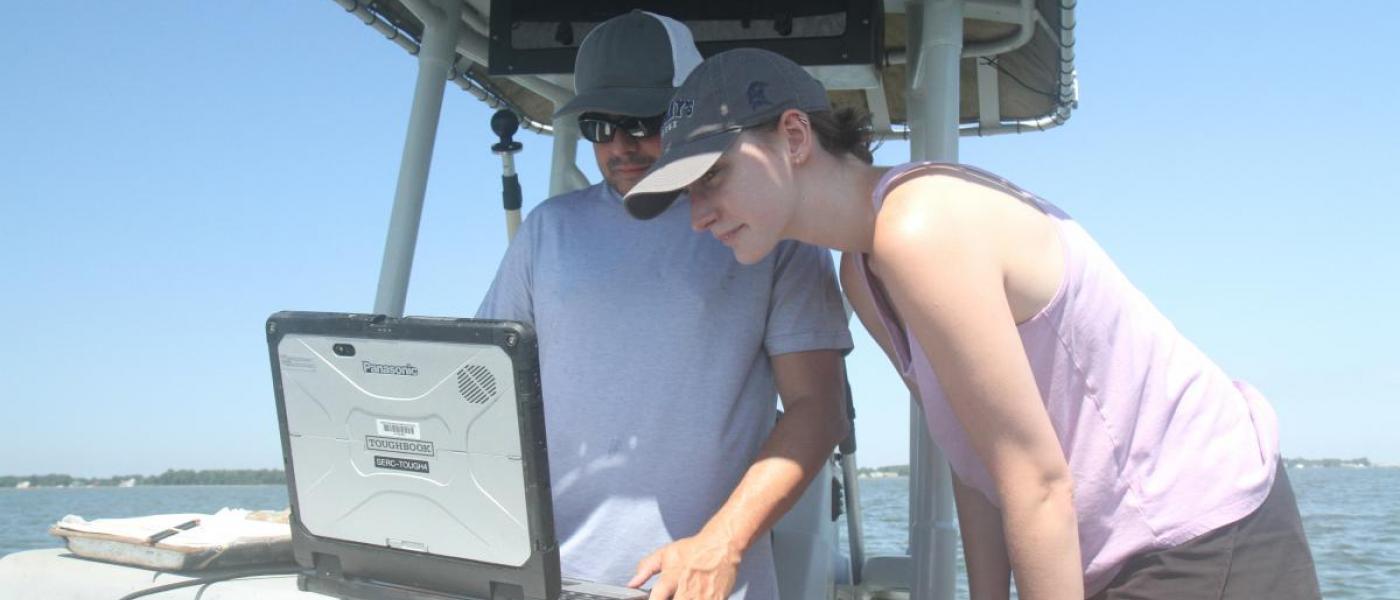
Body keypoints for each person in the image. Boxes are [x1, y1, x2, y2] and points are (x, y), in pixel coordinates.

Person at [623, 48, 1320, 599]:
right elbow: (975, 457)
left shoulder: (922, 227)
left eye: (712, 175)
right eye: (688, 191)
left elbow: (1037, 480)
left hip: (1202, 528)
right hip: (1124, 547)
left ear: (795, 135)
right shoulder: (863, 273)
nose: (698, 213)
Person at [476, 14, 853, 600]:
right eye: (600, 126)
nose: (621, 145)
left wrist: (721, 545)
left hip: (705, 585)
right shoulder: (546, 231)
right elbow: (483, 393)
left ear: (690, 112)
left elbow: (818, 407)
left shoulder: (775, 228)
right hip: (546, 580)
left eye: (644, 123)